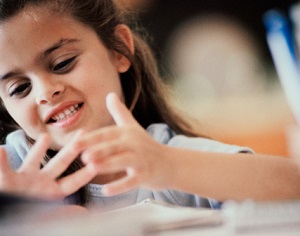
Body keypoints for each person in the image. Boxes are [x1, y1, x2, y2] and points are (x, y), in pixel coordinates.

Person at [0, 0, 299, 211]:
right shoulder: (9, 171)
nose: (44, 93)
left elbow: (293, 184)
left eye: (63, 63)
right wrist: (15, 214)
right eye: (19, 88)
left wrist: (168, 165)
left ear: (119, 50)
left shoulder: (164, 156)